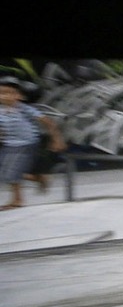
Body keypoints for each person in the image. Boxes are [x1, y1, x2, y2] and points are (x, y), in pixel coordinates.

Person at [0, 77, 66, 209]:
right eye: (1, 93)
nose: (4, 96)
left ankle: (17, 200)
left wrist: (57, 140)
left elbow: (48, 122)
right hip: (10, 143)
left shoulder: (24, 109)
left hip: (27, 143)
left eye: (9, 93)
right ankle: (40, 179)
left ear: (19, 96)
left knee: (12, 173)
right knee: (7, 172)